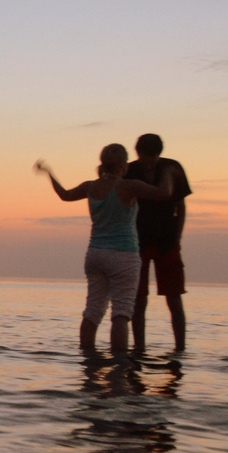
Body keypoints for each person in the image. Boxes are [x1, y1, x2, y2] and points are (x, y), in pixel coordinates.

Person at [36, 144, 173, 353]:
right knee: (121, 313)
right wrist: (167, 171)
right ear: (122, 165)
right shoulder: (129, 186)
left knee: (93, 311)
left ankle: (87, 363)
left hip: (95, 254)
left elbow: (64, 194)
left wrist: (49, 173)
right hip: (124, 255)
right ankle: (119, 366)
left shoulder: (91, 186)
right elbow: (164, 194)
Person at [126, 133, 192, 352]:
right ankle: (139, 348)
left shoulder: (172, 167)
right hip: (138, 241)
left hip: (167, 240)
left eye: (153, 158)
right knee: (138, 299)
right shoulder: (130, 171)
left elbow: (180, 206)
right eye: (146, 157)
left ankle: (180, 348)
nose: (149, 162)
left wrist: (178, 237)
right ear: (138, 153)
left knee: (174, 298)